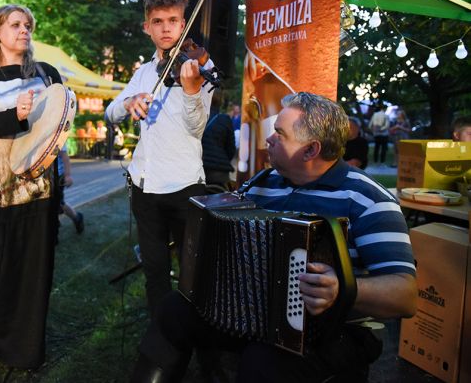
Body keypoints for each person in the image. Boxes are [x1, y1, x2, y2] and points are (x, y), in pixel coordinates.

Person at [131, 92, 417, 382]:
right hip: (254, 316)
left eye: (279, 134)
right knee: (174, 309)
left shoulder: (368, 200)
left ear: (310, 150)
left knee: (262, 361)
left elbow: (405, 296)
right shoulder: (261, 185)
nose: (269, 139)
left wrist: (342, 288)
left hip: (337, 330)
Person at [105, 0, 214, 315]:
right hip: (144, 185)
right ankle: (161, 334)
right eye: (158, 21)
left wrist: (192, 91)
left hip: (184, 186)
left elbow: (197, 129)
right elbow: (111, 112)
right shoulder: (142, 73)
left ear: (183, 24)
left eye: (173, 21)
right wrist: (129, 102)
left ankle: (192, 336)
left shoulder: (199, 66)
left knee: (192, 273)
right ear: (147, 27)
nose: (166, 28)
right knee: (155, 272)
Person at [0, 4, 62, 371]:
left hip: (39, 190)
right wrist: (16, 116)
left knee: (33, 268)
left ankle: (27, 349)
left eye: (28, 25)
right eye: (16, 24)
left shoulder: (47, 73)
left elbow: (59, 120)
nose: (24, 30)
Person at [201, 98, 236, 189]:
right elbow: (231, 149)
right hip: (218, 174)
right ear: (221, 103)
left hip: (196, 171)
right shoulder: (224, 119)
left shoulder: (195, 118)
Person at [57, 144, 84, 234]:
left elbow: (65, 158)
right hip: (46, 176)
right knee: (49, 202)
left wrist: (67, 176)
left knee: (59, 203)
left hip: (58, 176)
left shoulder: (57, 138)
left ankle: (77, 217)